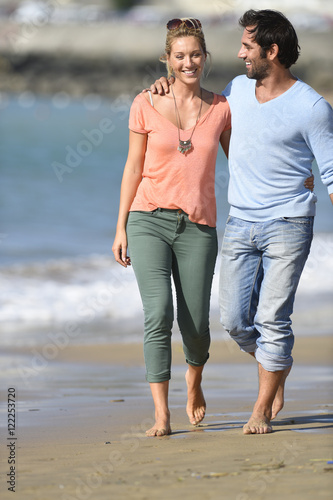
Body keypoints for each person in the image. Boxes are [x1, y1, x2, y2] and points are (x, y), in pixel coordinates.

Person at [149, 9, 333, 435]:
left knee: (273, 318)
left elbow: (330, 173)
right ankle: (276, 362)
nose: (239, 53)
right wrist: (161, 85)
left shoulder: (312, 108)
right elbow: (198, 111)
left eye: (247, 46)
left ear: (272, 50)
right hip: (240, 222)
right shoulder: (234, 92)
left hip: (289, 221)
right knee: (234, 321)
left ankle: (262, 408)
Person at [112, 18, 231, 437]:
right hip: (148, 219)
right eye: (179, 56)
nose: (188, 62)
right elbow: (132, 167)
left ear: (206, 58)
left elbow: (247, 161)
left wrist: (301, 178)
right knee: (158, 313)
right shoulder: (145, 102)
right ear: (167, 60)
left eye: (195, 55)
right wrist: (121, 225)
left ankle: (193, 383)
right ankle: (161, 414)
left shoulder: (221, 108)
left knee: (196, 324)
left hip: (199, 227)